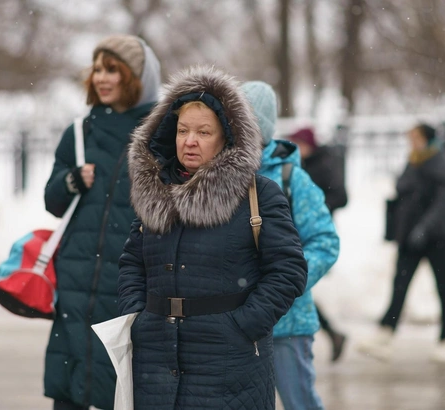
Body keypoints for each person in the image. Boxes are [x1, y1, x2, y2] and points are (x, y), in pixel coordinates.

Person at [117, 66, 307, 410]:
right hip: (156, 361)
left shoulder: (259, 194)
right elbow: (133, 261)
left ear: (227, 137)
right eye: (182, 130)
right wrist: (138, 316)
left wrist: (243, 326)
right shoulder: (155, 190)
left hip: (230, 366)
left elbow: (288, 270)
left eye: (204, 132)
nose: (190, 141)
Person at [43, 34, 161, 410]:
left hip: (128, 278)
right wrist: (71, 181)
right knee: (71, 381)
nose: (101, 78)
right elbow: (52, 200)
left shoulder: (160, 135)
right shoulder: (80, 132)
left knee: (122, 385)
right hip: (77, 278)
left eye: (112, 69)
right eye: (96, 69)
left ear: (136, 77)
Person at [243, 81, 339, 410]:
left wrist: (286, 283)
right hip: (237, 323)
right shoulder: (220, 177)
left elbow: (325, 242)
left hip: (288, 323)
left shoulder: (291, 179)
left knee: (300, 403)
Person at [356, 123, 445, 362]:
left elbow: (441, 203)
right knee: (400, 284)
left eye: (415, 138)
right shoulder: (413, 161)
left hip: (435, 238)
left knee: (443, 286)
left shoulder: (440, 163)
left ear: (427, 139)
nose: (411, 142)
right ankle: (385, 332)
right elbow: (404, 192)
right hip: (409, 237)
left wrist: (425, 228)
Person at [288, 127, 348, 361]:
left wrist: (314, 208)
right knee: (298, 287)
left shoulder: (323, 164)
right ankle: (333, 333)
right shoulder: (296, 165)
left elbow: (341, 196)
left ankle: (331, 333)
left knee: (296, 285)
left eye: (299, 144)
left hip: (311, 233)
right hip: (295, 232)